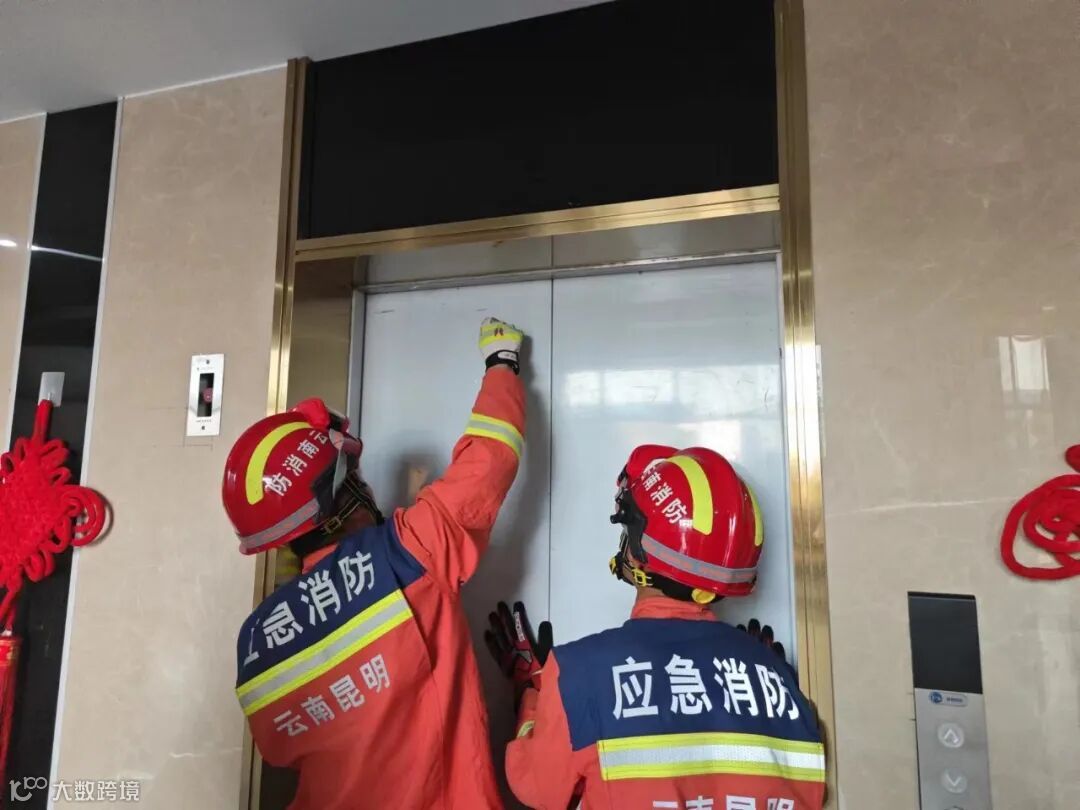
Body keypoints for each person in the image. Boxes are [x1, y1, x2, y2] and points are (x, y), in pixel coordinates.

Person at [223, 317, 526, 810]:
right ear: (342, 500)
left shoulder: (257, 640)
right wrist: (502, 362)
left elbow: (277, 751)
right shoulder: (407, 550)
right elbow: (487, 462)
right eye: (357, 479)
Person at [488, 445, 825, 810]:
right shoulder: (778, 680)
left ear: (636, 553)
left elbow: (538, 789)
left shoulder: (579, 674)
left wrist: (532, 696)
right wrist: (760, 664)